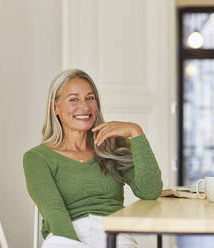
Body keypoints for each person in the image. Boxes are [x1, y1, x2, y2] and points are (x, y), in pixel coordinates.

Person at [23, 69, 163, 248]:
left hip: (113, 235)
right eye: (73, 99)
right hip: (64, 237)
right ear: (55, 107)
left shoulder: (113, 145)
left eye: (90, 98)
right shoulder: (37, 158)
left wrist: (136, 133)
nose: (85, 106)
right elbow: (55, 214)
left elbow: (149, 191)